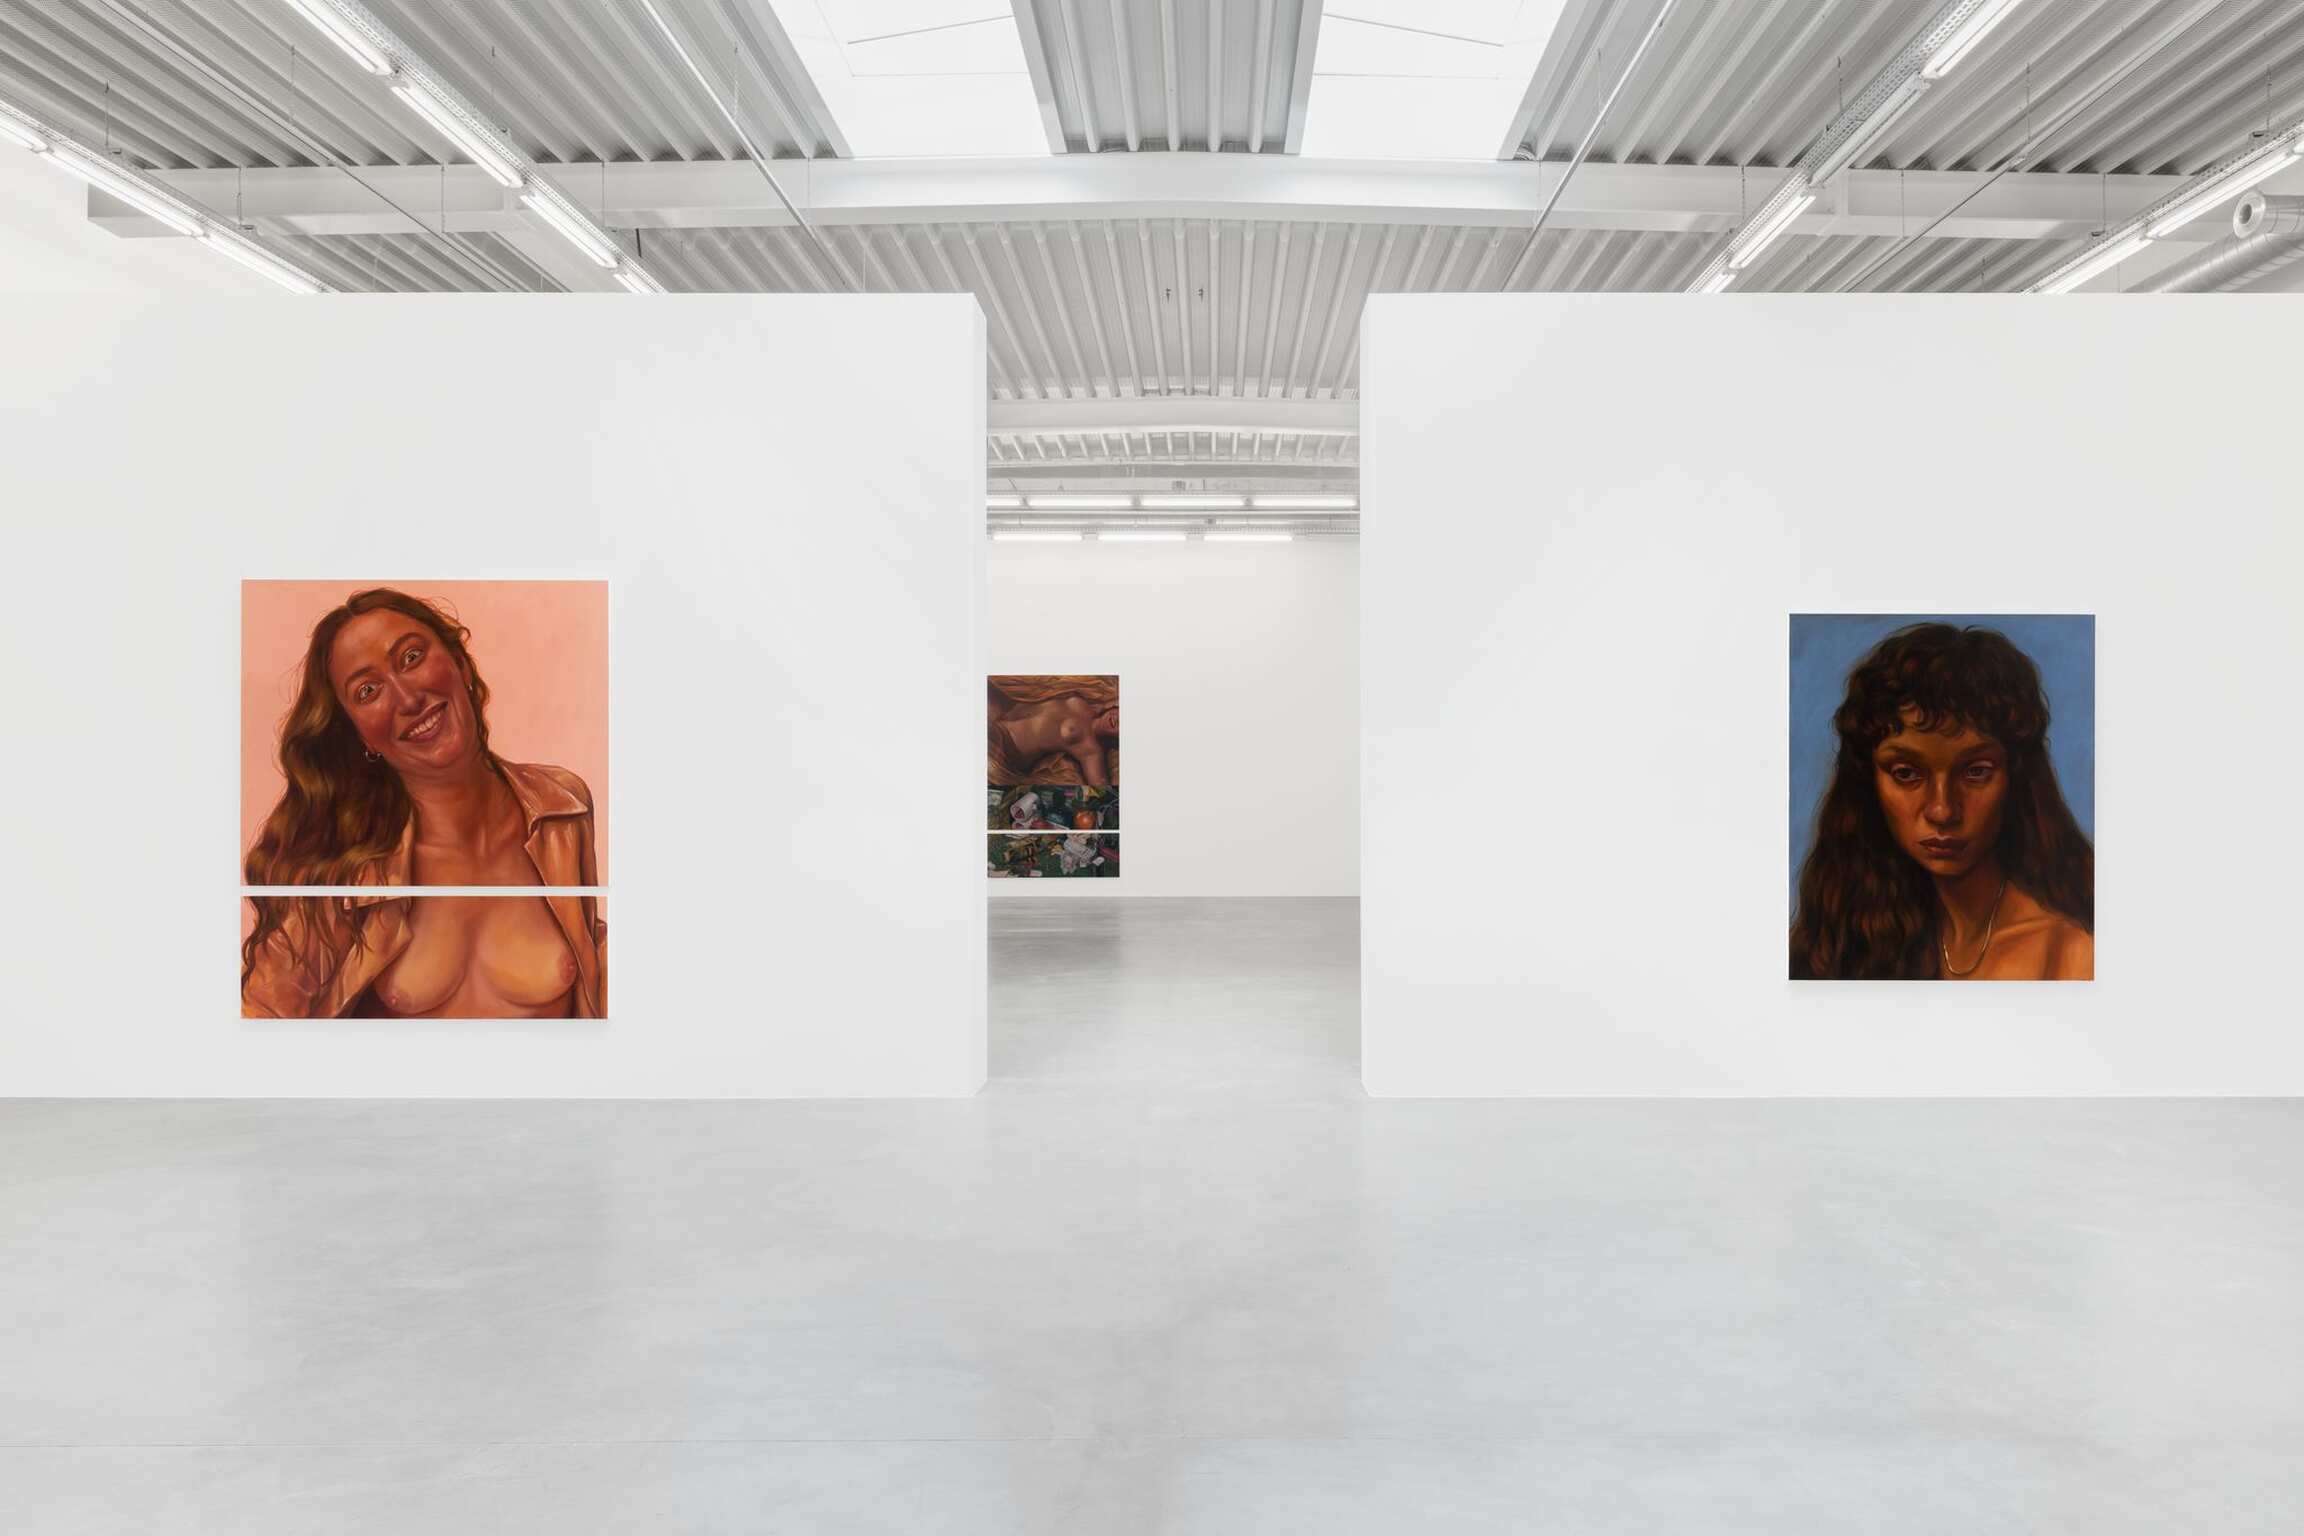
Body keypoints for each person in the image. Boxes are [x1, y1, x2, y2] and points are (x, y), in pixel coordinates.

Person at [241, 588, 605, 1018]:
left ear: (460, 663)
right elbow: (259, 1019)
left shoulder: (561, 809)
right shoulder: (341, 866)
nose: (408, 699)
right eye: (368, 691)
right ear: (359, 734)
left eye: (411, 658)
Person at [1790, 623, 2092, 981]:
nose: (1942, 810)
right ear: (1868, 782)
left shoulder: (2071, 955)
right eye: (1906, 773)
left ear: (2016, 777)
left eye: (1976, 772)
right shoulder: (1836, 942)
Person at [988, 675, 1119, 786]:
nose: (1118, 720)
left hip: (1009, 745)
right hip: (1002, 717)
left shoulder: (1091, 749)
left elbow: (1101, 788)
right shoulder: (1086, 702)